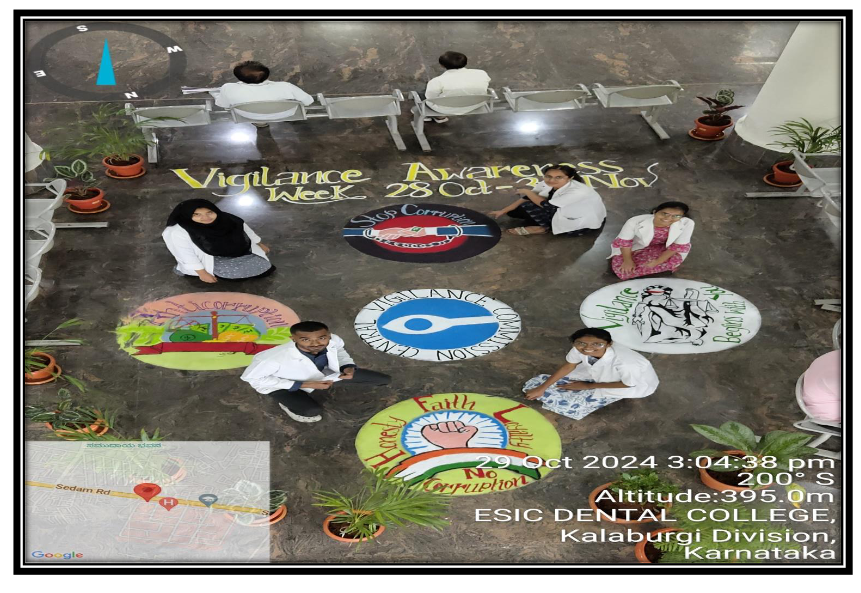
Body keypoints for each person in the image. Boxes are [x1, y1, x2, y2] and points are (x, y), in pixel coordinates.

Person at [241, 321, 391, 423]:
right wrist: (305, 384)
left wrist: (347, 366)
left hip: (325, 375)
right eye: (305, 340)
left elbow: (339, 350)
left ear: (329, 336)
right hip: (282, 385)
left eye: (322, 338)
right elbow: (253, 379)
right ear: (293, 339)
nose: (315, 344)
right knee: (312, 412)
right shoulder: (271, 359)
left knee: (383, 380)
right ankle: (287, 404)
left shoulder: (333, 340)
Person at [522, 328, 659, 420]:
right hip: (597, 372)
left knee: (571, 405)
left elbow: (628, 384)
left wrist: (588, 386)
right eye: (581, 343)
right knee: (539, 384)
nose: (587, 348)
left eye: (597, 344)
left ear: (609, 344)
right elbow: (569, 365)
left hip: (630, 385)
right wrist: (542, 388)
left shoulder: (626, 363)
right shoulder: (580, 348)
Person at [163, 199, 273, 283]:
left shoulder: (227, 219)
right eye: (197, 215)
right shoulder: (176, 232)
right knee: (234, 275)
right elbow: (184, 254)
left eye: (209, 212)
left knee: (264, 269)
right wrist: (202, 273)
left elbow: (246, 230)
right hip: (210, 258)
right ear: (187, 215)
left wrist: (259, 244)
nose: (206, 218)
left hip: (236, 251)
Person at [489, 164, 606, 236]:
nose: (551, 180)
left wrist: (527, 192)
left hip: (579, 223)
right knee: (515, 212)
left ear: (570, 178)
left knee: (528, 206)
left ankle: (542, 229)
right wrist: (504, 210)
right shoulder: (550, 183)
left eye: (558, 177)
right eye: (548, 176)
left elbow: (548, 206)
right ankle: (545, 224)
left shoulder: (578, 191)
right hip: (561, 210)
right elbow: (530, 196)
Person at [214, 60, 314, 127]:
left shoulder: (228, 88)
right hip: (286, 112)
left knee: (257, 111)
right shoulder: (286, 86)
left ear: (238, 77)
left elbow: (223, 104)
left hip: (250, 114)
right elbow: (308, 101)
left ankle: (260, 123)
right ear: (267, 75)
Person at [609, 201, 694, 279]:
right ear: (655, 212)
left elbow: (677, 246)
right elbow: (625, 242)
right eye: (664, 213)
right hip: (637, 247)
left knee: (666, 262)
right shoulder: (634, 221)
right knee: (623, 270)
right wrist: (628, 261)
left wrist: (658, 261)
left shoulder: (687, 223)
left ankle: (660, 269)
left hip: (665, 248)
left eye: (676, 216)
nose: (668, 218)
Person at [424, 51, 491, 123]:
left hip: (446, 109)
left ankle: (440, 116)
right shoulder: (481, 73)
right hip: (476, 104)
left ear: (442, 65)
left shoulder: (437, 81)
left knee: (425, 96)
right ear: (465, 62)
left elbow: (430, 98)